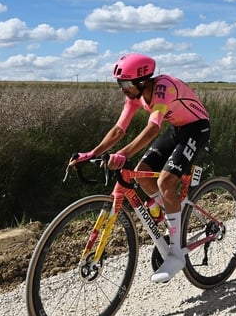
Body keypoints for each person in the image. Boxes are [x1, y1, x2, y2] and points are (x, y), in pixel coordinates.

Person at [69, 53, 210, 284]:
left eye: (125, 83)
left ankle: (176, 253)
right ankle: (168, 210)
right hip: (176, 128)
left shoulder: (163, 88)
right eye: (119, 83)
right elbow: (118, 129)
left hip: (197, 128)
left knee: (166, 181)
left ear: (142, 81)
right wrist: (92, 153)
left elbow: (153, 127)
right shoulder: (134, 96)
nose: (122, 88)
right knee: (143, 172)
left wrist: (122, 154)